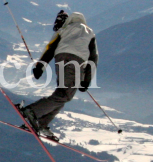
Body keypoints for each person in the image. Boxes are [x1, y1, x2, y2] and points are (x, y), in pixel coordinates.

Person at [19, 10, 98, 140]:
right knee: (65, 95)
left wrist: (40, 66)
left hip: (61, 57)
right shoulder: (89, 32)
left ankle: (41, 123)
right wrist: (86, 80)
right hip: (77, 61)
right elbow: (93, 58)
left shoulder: (64, 29)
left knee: (63, 93)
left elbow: (50, 48)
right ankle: (32, 112)